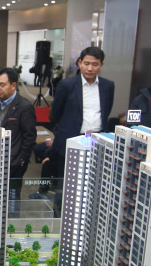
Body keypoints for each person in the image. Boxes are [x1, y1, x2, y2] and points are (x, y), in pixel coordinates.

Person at [49, 47, 115, 175]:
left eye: (95, 64)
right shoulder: (67, 85)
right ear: (80, 63)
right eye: (86, 63)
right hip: (72, 138)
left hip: (98, 139)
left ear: (101, 65)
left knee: (95, 179)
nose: (90, 68)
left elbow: (107, 110)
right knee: (68, 182)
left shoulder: (108, 86)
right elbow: (56, 112)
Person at [0, 68, 37, 179]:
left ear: (13, 85)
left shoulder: (24, 106)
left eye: (2, 85)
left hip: (13, 163)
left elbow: (30, 136)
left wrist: (21, 160)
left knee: (12, 194)